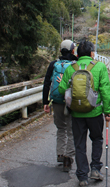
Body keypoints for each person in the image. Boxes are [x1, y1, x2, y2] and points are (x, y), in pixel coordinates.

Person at [58, 40, 110, 186]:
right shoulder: (100, 66)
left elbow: (62, 90)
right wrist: (107, 111)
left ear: (77, 54)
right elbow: (105, 91)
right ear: (92, 53)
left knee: (79, 144)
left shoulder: (71, 68)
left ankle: (82, 176)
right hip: (94, 112)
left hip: (76, 113)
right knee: (97, 139)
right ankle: (95, 169)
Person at [42, 39, 78, 172]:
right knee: (71, 129)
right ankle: (68, 158)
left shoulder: (53, 64)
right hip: (70, 101)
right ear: (72, 50)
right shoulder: (75, 65)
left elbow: (46, 84)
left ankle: (60, 154)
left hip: (56, 101)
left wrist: (45, 102)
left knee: (61, 128)